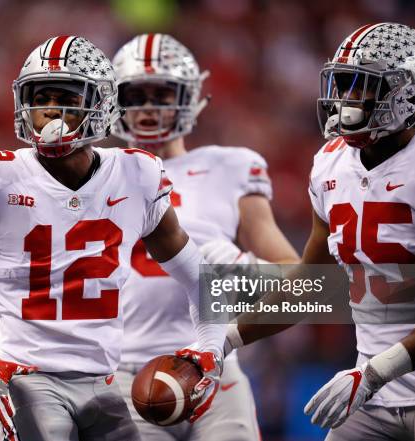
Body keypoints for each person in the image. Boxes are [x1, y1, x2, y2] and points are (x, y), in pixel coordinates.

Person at [0, 35, 225, 441]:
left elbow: (202, 280)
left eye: (64, 96)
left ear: (100, 103)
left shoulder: (141, 175)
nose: (47, 109)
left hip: (104, 381)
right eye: (39, 96)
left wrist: (211, 350)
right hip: (27, 378)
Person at [206, 23, 415, 441]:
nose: (346, 100)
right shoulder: (331, 165)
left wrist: (372, 374)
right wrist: (223, 342)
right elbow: (314, 288)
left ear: (409, 93)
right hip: (370, 396)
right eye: (343, 84)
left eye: (362, 87)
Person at [111, 33, 299, 440]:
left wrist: (233, 274)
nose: (147, 107)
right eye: (136, 94)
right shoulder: (96, 173)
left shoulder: (230, 166)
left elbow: (298, 279)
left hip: (212, 364)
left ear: (190, 96)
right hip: (123, 372)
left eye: (162, 94)